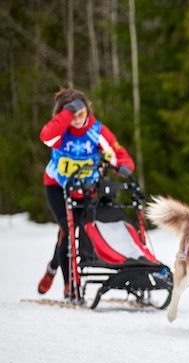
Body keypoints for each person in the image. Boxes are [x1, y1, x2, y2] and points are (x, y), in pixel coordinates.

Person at [37, 88, 135, 298]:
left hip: (86, 190)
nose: (79, 120)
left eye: (82, 114)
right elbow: (46, 137)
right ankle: (69, 284)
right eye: (73, 116)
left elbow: (116, 151)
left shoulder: (96, 130)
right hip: (57, 186)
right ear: (64, 117)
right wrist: (66, 115)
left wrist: (124, 165)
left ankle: (53, 266)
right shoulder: (59, 132)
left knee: (78, 232)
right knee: (67, 228)